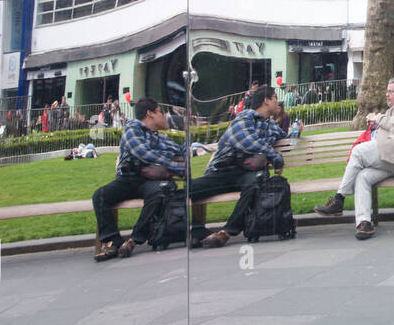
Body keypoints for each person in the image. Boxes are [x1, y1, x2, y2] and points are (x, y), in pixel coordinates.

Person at [314, 77, 394, 240]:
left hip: (391, 156)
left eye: (391, 91)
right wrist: (378, 124)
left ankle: (339, 199)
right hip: (388, 160)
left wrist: (377, 118)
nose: (387, 95)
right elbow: (389, 126)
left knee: (358, 152)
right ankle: (364, 223)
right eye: (386, 91)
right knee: (363, 177)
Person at [193, 85, 288, 248]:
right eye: (274, 98)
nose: (277, 102)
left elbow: (286, 138)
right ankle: (198, 231)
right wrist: (274, 156)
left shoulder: (271, 126)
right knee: (183, 192)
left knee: (257, 181)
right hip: (224, 173)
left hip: (248, 175)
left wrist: (296, 132)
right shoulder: (244, 117)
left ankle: (226, 232)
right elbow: (247, 140)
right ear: (266, 101)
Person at [91, 98, 186, 261]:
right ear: (150, 113)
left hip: (149, 181)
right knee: (100, 195)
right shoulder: (133, 130)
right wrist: (174, 166)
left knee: (161, 190)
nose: (164, 116)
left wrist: (173, 159)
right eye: (160, 112)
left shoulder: (158, 138)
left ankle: (134, 239)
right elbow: (144, 153)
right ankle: (114, 241)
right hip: (129, 179)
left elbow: (181, 152)